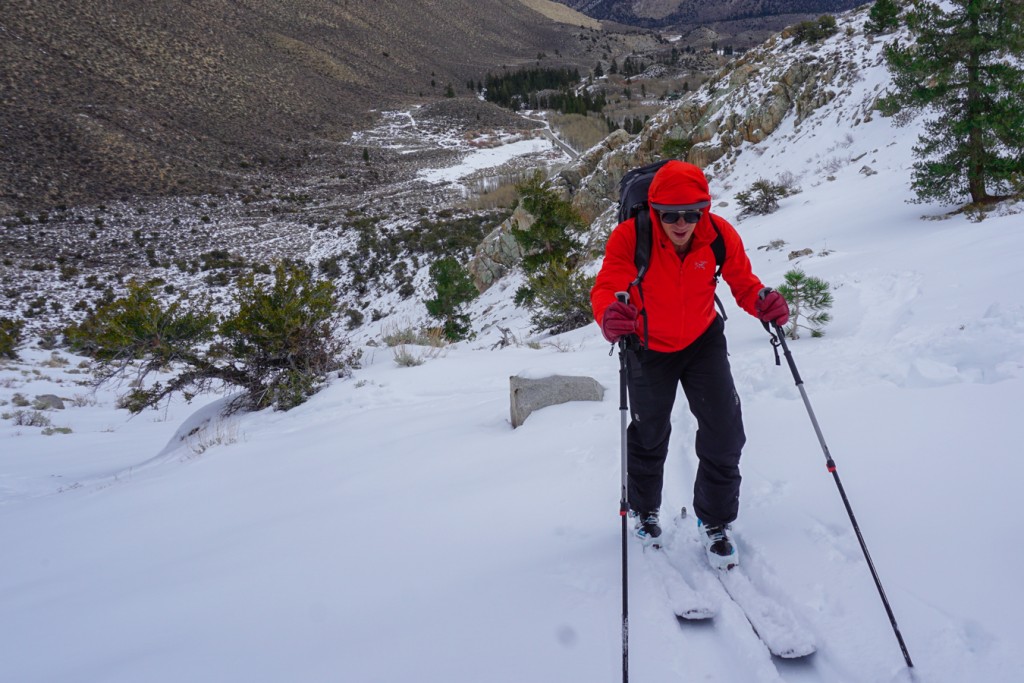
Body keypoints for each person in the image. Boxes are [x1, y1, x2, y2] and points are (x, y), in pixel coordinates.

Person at [591, 160, 789, 570]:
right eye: (670, 214)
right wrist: (610, 314)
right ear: (654, 209)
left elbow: (742, 281)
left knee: (725, 430)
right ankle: (645, 510)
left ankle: (714, 520)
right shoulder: (631, 236)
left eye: (691, 213)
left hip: (702, 339)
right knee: (649, 432)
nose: (681, 223)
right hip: (646, 344)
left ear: (704, 209)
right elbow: (609, 284)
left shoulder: (718, 234)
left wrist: (762, 302)